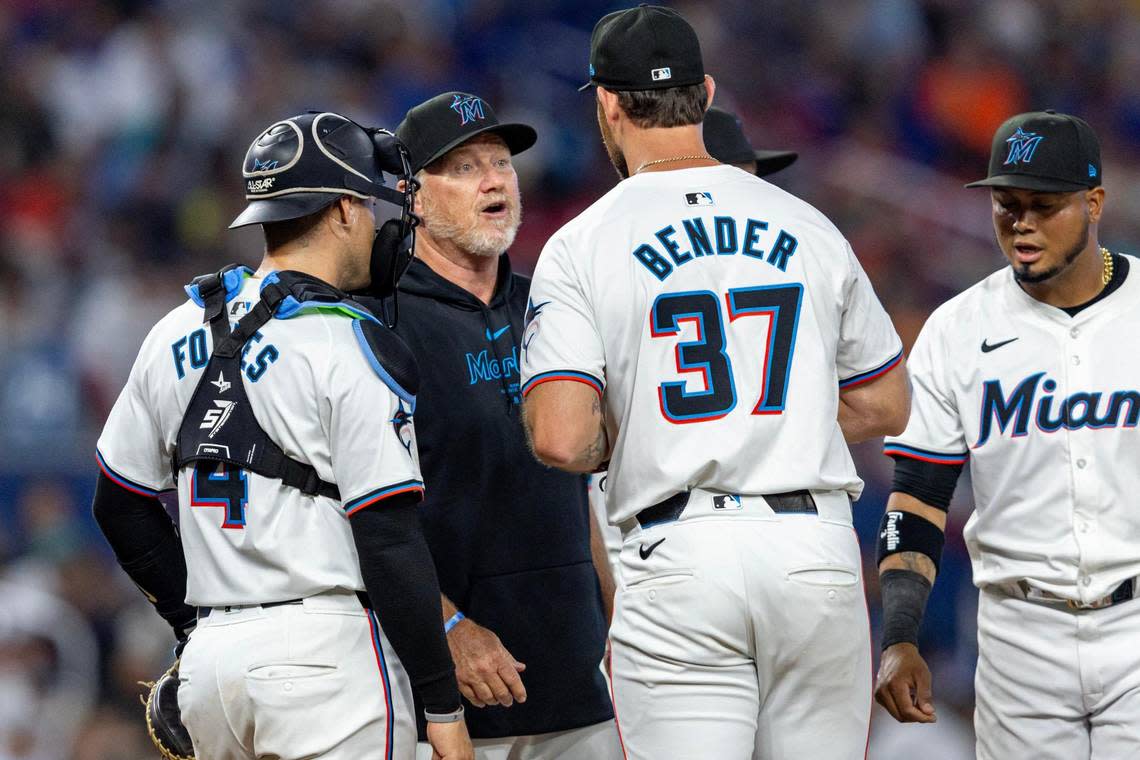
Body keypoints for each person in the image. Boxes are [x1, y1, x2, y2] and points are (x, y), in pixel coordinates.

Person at [520, 6, 910, 760]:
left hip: (680, 555)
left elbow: (560, 435)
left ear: (605, 101)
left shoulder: (581, 242)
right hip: (813, 548)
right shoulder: (806, 224)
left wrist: (654, 427)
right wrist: (782, 417)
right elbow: (886, 401)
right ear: (705, 91)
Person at [91, 111, 472, 760]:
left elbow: (118, 503)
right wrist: (442, 704)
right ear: (347, 210)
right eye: (376, 204)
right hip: (324, 660)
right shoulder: (347, 341)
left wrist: (194, 624)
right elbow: (388, 537)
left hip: (212, 666)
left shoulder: (175, 329)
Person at [361, 91, 621, 760]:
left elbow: (581, 491)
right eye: (466, 165)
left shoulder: (553, 308)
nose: (495, 179)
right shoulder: (373, 324)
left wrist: (620, 615)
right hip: (442, 695)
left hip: (578, 678)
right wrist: (445, 625)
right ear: (412, 195)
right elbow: (352, 510)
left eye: (502, 162)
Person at [875, 110, 1140, 760]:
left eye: (1044, 206)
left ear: (1094, 203)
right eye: (1006, 205)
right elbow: (915, 501)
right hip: (1020, 635)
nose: (1021, 223)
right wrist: (899, 636)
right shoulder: (955, 329)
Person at [588, 105, 800, 576]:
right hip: (653, 519)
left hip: (739, 531)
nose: (754, 196)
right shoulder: (618, 267)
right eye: (743, 178)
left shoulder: (610, 257)